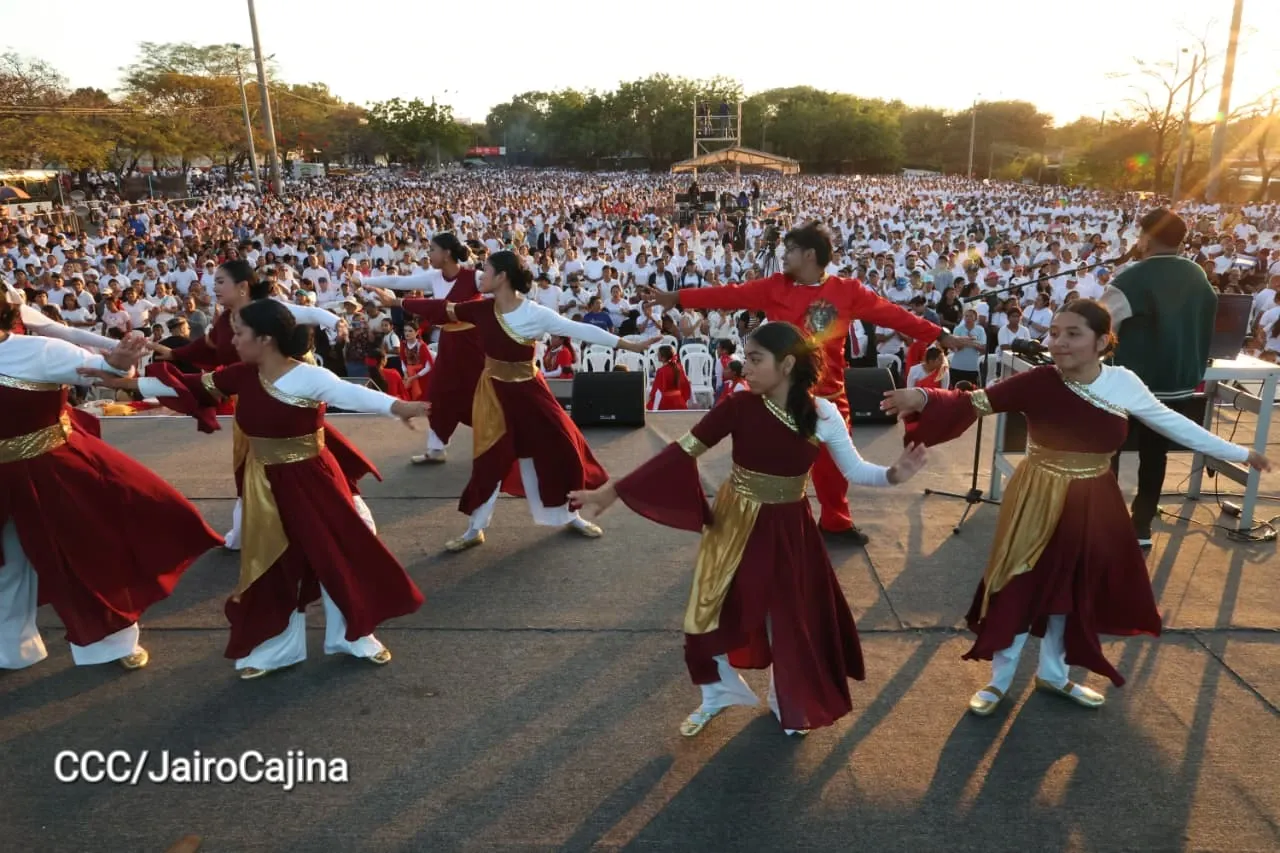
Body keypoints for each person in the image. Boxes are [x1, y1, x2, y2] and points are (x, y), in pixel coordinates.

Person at [882, 300, 1271, 716]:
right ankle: (998, 682)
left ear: (1103, 341)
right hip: (1037, 494)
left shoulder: (1123, 384)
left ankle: (1054, 673)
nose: (1059, 342)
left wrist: (1239, 451)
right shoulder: (1037, 381)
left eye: (1072, 334)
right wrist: (923, 395)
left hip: (1095, 498)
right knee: (1018, 582)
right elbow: (975, 402)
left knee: (1073, 588)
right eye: (1054, 332)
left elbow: (1172, 423)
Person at [570, 323, 928, 736]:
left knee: (789, 615)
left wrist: (894, 474)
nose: (746, 366)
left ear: (788, 364)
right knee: (707, 608)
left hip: (789, 524)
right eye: (747, 357)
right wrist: (609, 494)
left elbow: (855, 469)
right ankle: (718, 692)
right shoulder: (738, 406)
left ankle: (788, 699)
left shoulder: (822, 414)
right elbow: (680, 452)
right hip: (733, 519)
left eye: (756, 359)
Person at [85, 301, 428, 680]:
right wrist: (124, 383)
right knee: (274, 565)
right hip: (265, 483)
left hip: (312, 478)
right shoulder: (243, 373)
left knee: (335, 552)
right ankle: (278, 649)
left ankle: (353, 634)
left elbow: (356, 395)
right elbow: (194, 385)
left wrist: (402, 407)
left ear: (265, 339)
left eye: (240, 334)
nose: (233, 340)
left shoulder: (307, 377)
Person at [642, 221, 955, 545]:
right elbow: (730, 293)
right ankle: (760, 524)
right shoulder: (776, 286)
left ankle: (836, 522)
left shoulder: (848, 291)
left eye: (790, 250)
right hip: (782, 398)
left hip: (831, 397)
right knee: (774, 465)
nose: (783, 256)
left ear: (809, 255)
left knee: (834, 467)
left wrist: (939, 334)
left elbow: (892, 315)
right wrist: (678, 297)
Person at [367, 251, 659, 552]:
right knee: (490, 460)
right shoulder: (481, 309)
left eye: (487, 271)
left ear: (503, 276)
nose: (481, 277)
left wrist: (628, 345)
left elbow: (579, 329)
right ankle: (474, 529)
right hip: (494, 396)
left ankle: (570, 515)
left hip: (531, 392)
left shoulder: (534, 313)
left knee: (565, 446)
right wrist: (397, 302)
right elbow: (442, 308)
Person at [0, 309, 222, 672]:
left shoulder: (40, 351)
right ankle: (12, 650)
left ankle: (112, 643)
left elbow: (106, 371)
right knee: (6, 564)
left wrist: (119, 362)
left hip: (51, 469)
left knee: (85, 553)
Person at [150, 260, 380, 551]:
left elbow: (308, 312)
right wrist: (174, 353)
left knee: (316, 458)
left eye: (221, 282)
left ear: (243, 286)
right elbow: (208, 347)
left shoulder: (266, 312)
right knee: (250, 465)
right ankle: (246, 530)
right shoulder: (225, 320)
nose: (214, 287)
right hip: (248, 395)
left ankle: (355, 517)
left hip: (285, 394)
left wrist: (337, 322)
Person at [1099, 209, 1221, 547]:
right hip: (1179, 383)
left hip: (1130, 385)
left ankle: (1106, 522)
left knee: (1110, 451)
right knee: (1155, 456)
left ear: (1147, 238)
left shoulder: (1131, 278)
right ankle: (1141, 527)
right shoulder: (1197, 274)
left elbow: (1101, 329)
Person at [361, 233, 486, 465]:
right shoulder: (434, 278)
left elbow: (501, 291)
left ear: (447, 253)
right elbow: (398, 283)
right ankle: (436, 449)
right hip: (450, 344)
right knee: (438, 394)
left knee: (486, 393)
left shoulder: (475, 278)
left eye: (433, 250)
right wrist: (365, 281)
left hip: (474, 345)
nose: (428, 254)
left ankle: (511, 440)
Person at [647, 344, 691, 410]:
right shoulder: (679, 368)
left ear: (663, 357)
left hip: (666, 403)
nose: (657, 355)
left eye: (658, 354)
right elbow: (686, 385)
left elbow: (656, 391)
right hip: (679, 401)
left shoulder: (661, 371)